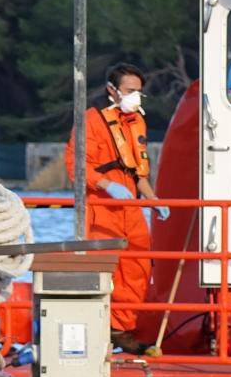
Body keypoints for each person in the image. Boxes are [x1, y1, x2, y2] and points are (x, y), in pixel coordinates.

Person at [64, 63, 166, 352]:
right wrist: (107, 186)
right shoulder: (91, 121)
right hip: (101, 206)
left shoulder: (136, 122)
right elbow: (76, 165)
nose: (135, 97)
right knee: (102, 270)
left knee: (137, 266)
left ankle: (121, 329)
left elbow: (138, 171)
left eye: (138, 92)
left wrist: (153, 200)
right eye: (130, 91)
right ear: (112, 90)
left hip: (131, 207)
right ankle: (97, 332)